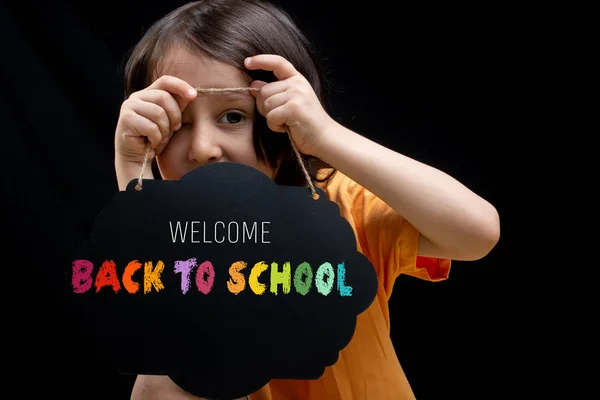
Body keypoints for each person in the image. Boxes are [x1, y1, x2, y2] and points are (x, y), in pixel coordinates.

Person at [113, 0, 500, 399]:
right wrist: (133, 175)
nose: (203, 149)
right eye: (178, 123)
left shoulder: (342, 208)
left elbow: (475, 232)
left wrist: (325, 136)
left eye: (233, 117)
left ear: (283, 124)